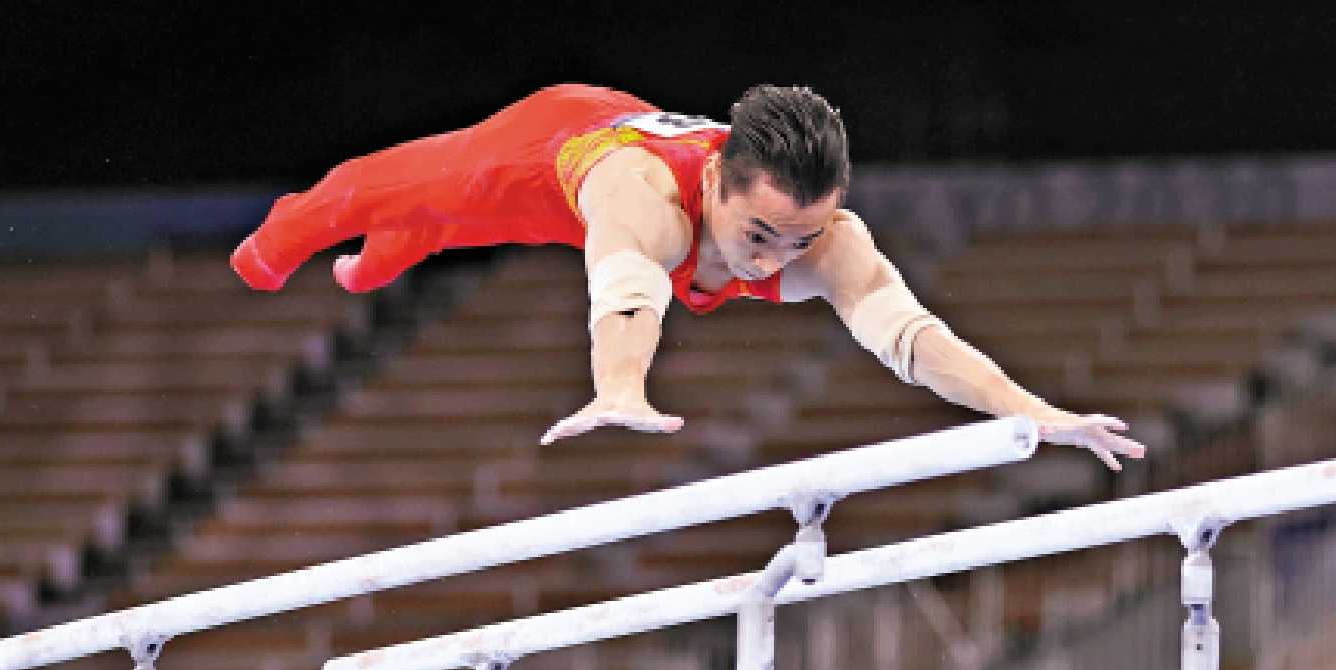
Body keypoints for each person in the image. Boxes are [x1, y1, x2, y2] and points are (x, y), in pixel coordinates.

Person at [233, 83, 1145, 466]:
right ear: (714, 181)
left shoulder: (823, 236)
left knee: (413, 236)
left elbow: (914, 340)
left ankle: (399, 246)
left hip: (627, 191)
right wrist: (620, 388)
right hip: (545, 151)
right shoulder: (642, 194)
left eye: (800, 238)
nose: (774, 259)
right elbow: (628, 291)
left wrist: (1037, 414)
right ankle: (302, 245)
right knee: (367, 198)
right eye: (760, 233)